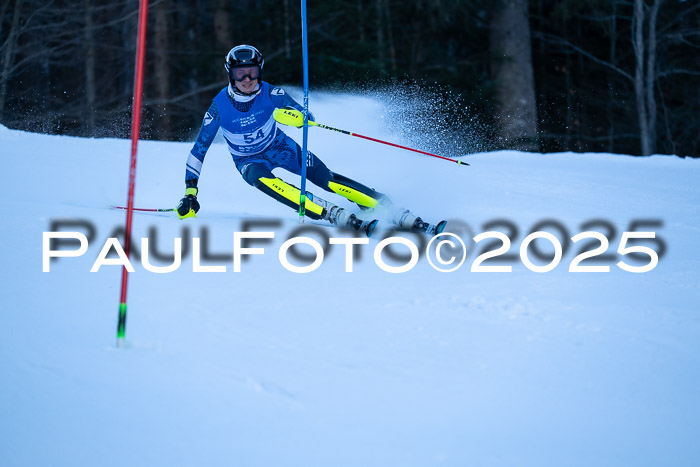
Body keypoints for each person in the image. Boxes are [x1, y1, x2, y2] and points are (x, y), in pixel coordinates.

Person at [176, 44, 445, 236]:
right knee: (265, 181)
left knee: (326, 177)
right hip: (248, 160)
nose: (247, 79)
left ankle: (390, 209)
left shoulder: (272, 92)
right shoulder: (218, 107)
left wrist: (297, 116)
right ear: (230, 73)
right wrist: (191, 192)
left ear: (260, 70)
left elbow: (305, 114)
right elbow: (199, 151)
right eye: (240, 74)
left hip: (281, 147)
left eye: (253, 72)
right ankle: (332, 213)